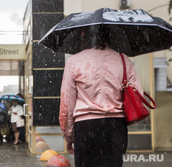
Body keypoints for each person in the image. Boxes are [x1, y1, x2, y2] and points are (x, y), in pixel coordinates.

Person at [59, 26, 144, 167]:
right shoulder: (123, 60)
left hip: (86, 127)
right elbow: (138, 93)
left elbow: (67, 103)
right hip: (116, 127)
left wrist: (69, 135)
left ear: (84, 37)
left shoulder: (74, 61)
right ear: (109, 37)